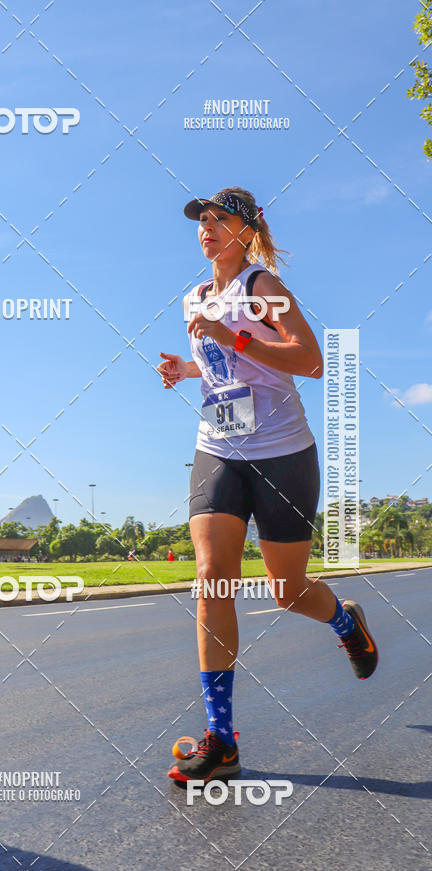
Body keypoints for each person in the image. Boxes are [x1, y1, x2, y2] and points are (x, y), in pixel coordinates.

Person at [157, 187, 378, 784]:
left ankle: (344, 621)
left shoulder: (262, 289)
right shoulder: (196, 297)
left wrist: (233, 338)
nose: (206, 228)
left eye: (219, 218)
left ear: (246, 231)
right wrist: (191, 366)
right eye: (201, 220)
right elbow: (227, 368)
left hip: (283, 455)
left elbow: (310, 360)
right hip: (218, 449)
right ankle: (221, 739)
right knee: (211, 578)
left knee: (286, 591)